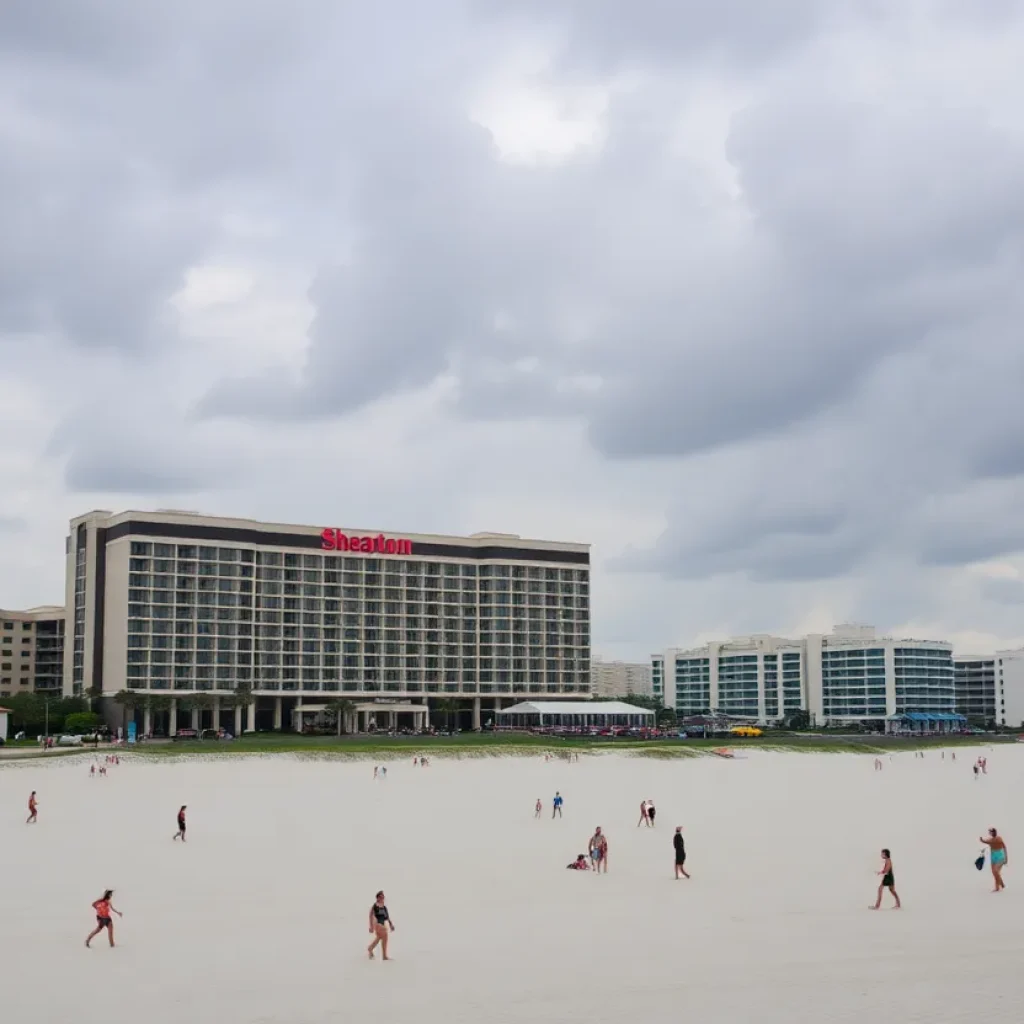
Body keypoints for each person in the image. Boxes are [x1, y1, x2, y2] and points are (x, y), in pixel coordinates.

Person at [367, 891, 395, 960]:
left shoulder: (384, 907)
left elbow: (387, 917)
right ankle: (384, 956)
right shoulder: (375, 906)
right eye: (381, 897)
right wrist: (371, 926)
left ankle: (370, 948)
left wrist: (391, 925)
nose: (382, 898)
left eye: (383, 897)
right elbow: (370, 915)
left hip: (382, 924)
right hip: (377, 924)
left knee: (379, 938)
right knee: (385, 934)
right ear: (377, 898)